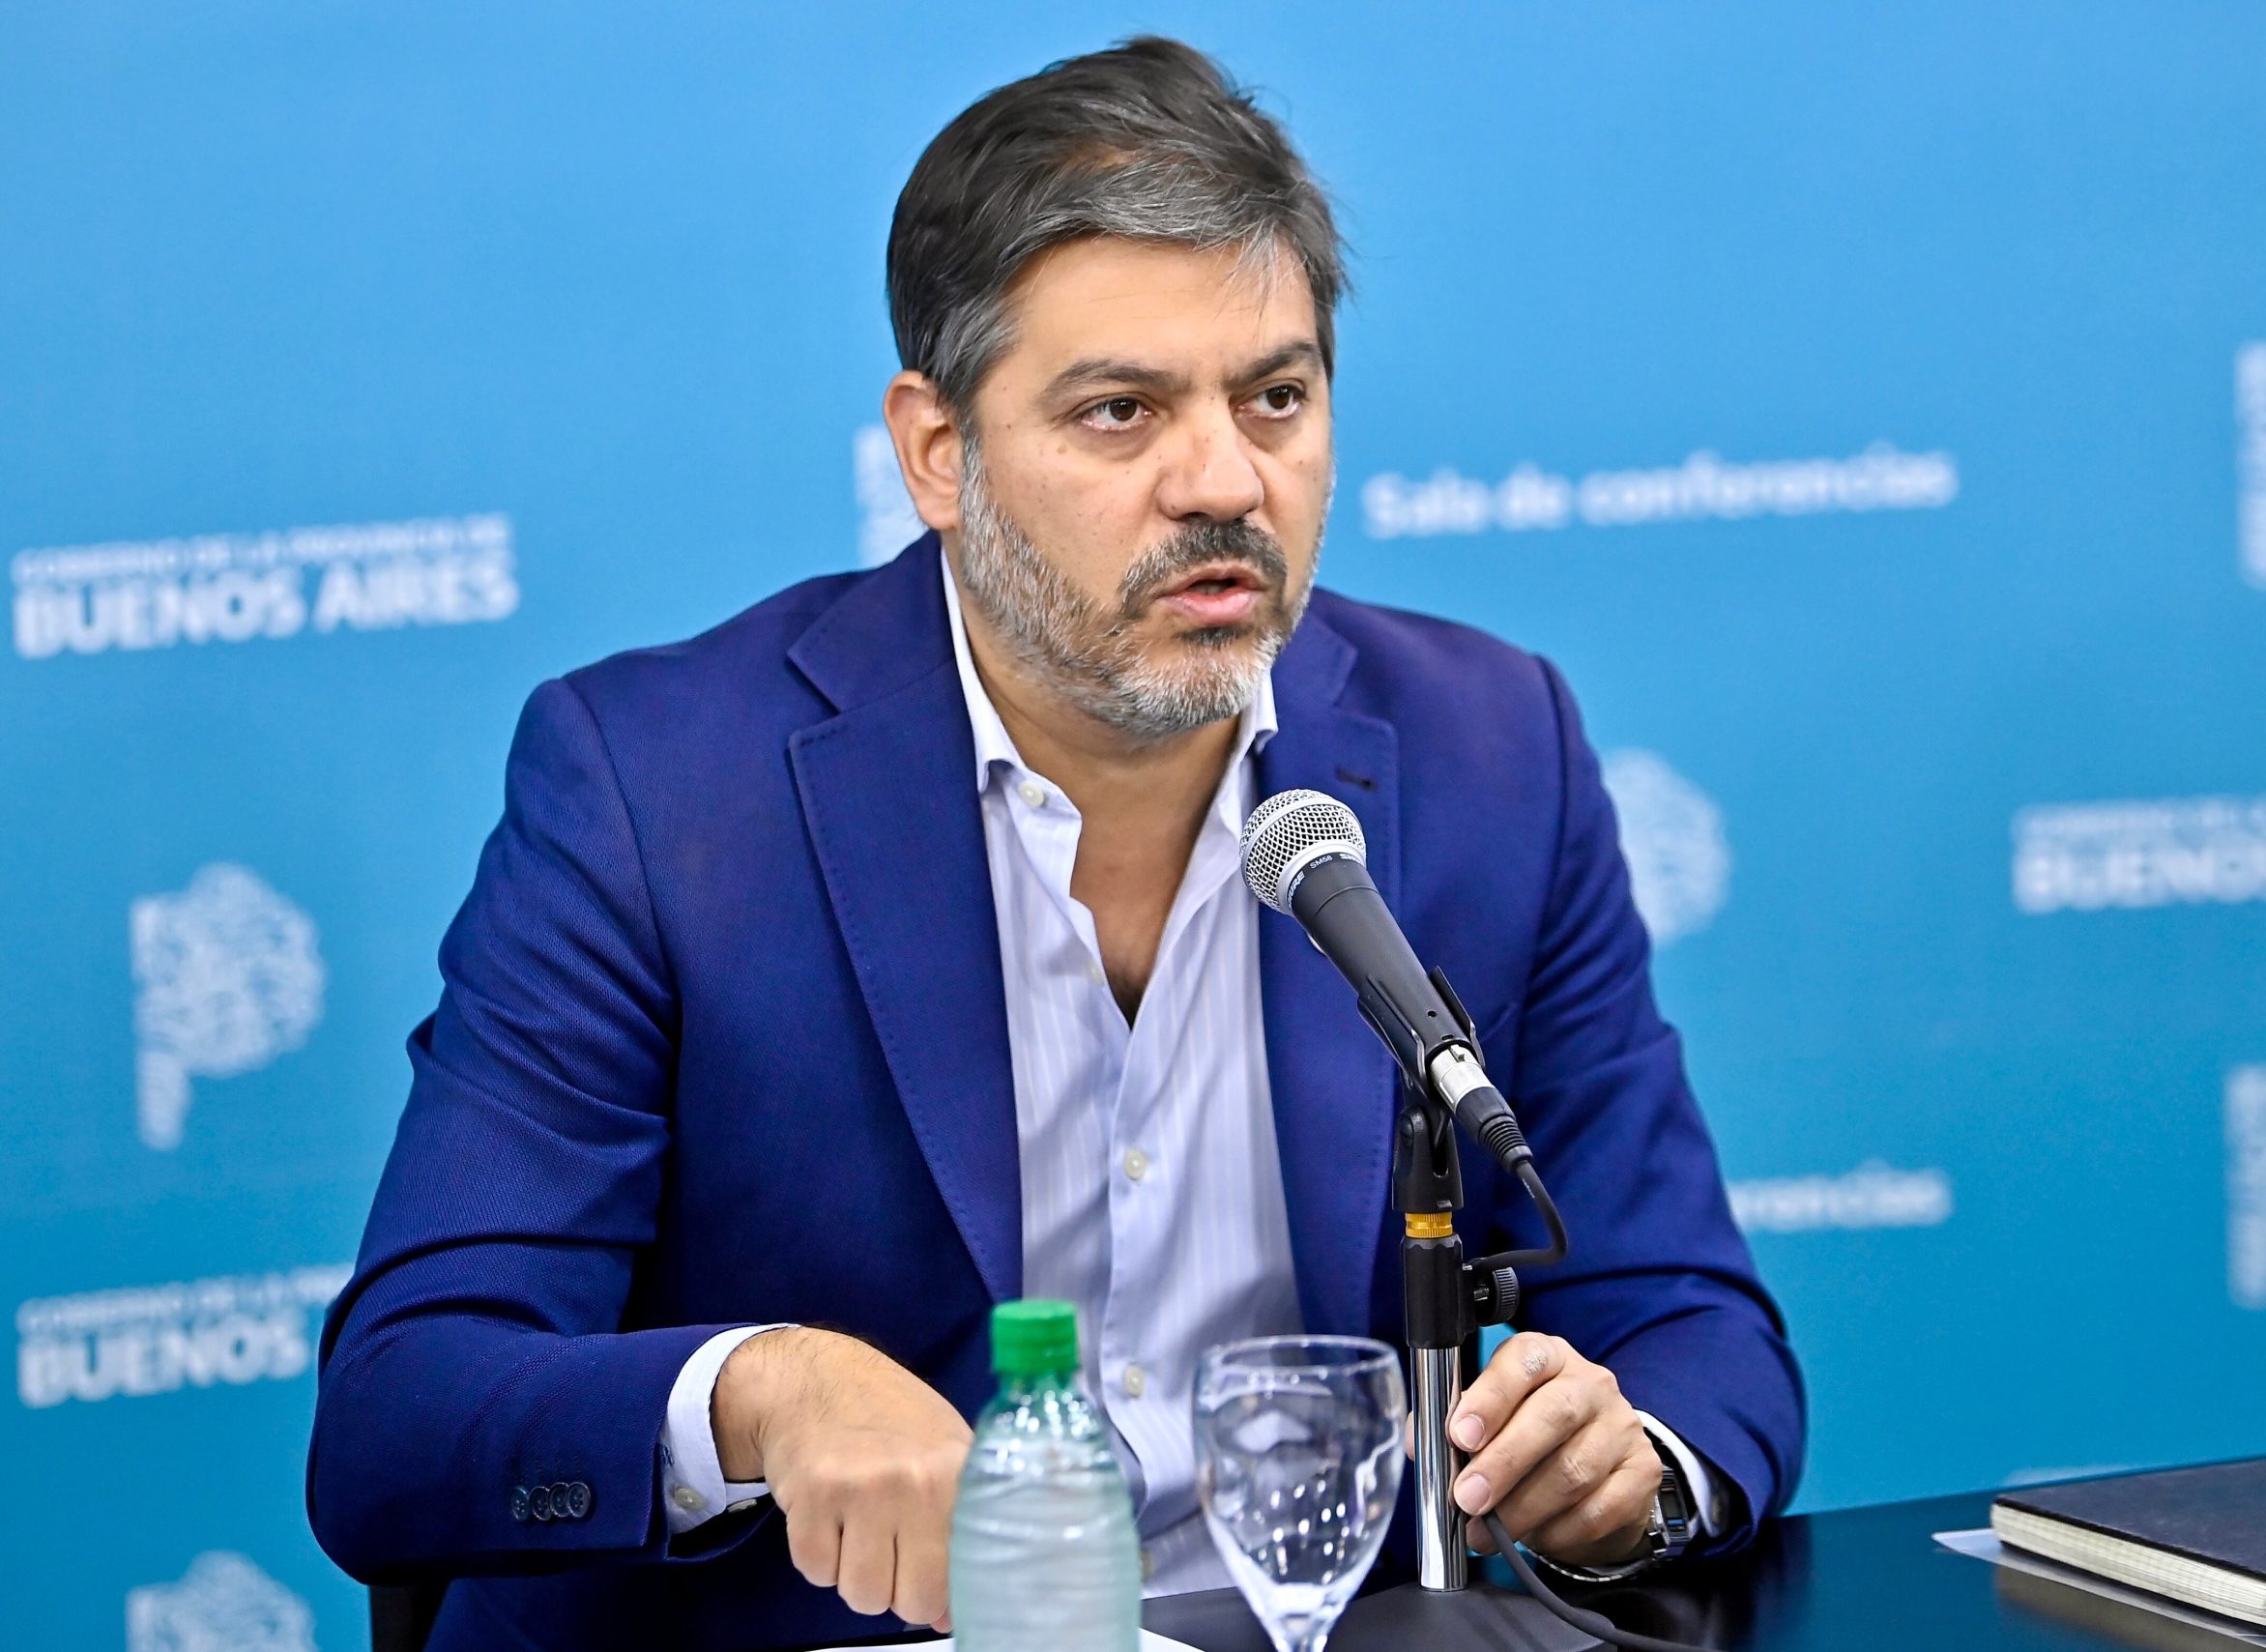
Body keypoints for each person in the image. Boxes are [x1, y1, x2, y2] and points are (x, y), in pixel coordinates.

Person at [308, 36, 1804, 1651]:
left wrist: (1631, 1463)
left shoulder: (1491, 749)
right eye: (1120, 411)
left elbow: (1689, 1320)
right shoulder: (657, 789)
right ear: (937, 453)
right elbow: (403, 1408)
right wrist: (759, 1391)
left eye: (1277, 397)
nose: (1223, 481)